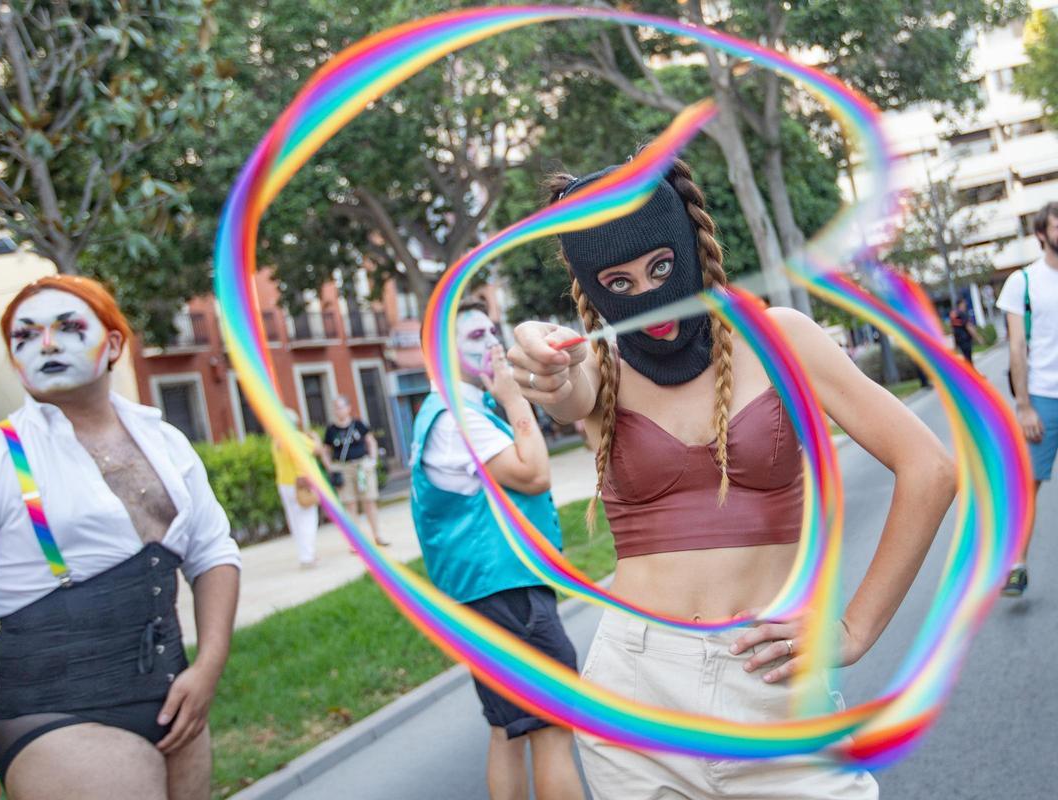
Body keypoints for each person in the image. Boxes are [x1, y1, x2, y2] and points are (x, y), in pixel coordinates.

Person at [507, 159, 956, 799]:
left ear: (692, 248)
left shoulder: (782, 340)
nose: (648, 296)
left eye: (662, 268)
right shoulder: (597, 367)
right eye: (619, 281)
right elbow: (565, 391)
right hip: (635, 690)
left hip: (770, 683)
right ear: (592, 288)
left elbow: (930, 467)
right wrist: (540, 361)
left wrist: (854, 630)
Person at [0, 276, 241, 800]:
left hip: (176, 706)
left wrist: (209, 664)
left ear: (115, 345)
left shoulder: (165, 442)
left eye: (69, 327)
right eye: (25, 336)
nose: (47, 345)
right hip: (56, 719)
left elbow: (213, 552)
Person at [410, 298, 583, 800]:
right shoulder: (457, 418)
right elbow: (533, 474)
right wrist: (514, 400)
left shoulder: (451, 411)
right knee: (554, 726)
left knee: (508, 730)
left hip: (489, 594)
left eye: (491, 331)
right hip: (507, 593)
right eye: (473, 337)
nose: (491, 343)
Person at [996, 200, 1058, 596]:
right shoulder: (1022, 281)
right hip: (1043, 397)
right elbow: (1017, 348)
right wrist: (1023, 405)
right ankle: (1016, 564)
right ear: (1041, 234)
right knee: (1029, 484)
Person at [323, 395, 388, 546]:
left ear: (348, 408)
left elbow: (370, 441)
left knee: (369, 501)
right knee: (350, 504)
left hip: (362, 466)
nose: (338, 411)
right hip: (343, 467)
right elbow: (325, 450)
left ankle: (377, 535)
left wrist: (373, 460)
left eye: (341, 407)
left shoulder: (358, 424)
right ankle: (356, 542)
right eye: (336, 408)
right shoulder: (331, 430)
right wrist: (330, 466)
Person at [271, 408, 325, 568]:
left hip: (284, 483)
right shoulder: (297, 438)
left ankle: (305, 554)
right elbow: (318, 450)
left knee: (295, 521)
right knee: (308, 519)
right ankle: (308, 557)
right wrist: (315, 437)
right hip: (301, 484)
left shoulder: (277, 441)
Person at [948, 296, 985, 366]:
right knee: (968, 360)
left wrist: (955, 343)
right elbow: (969, 327)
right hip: (965, 340)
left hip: (959, 340)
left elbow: (952, 328)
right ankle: (970, 375)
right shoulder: (962, 314)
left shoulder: (953, 314)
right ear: (961, 304)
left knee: (966, 359)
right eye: (964, 303)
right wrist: (978, 338)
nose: (965, 305)